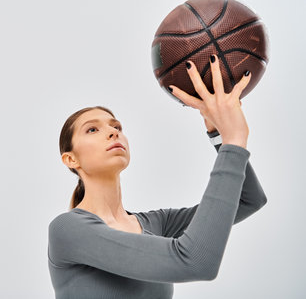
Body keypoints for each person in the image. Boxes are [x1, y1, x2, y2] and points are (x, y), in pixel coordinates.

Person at [47, 54, 267, 299]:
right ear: (70, 159)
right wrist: (234, 141)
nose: (112, 132)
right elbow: (194, 261)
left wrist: (218, 135)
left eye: (116, 127)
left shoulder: (156, 225)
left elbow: (248, 201)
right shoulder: (68, 229)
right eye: (92, 129)